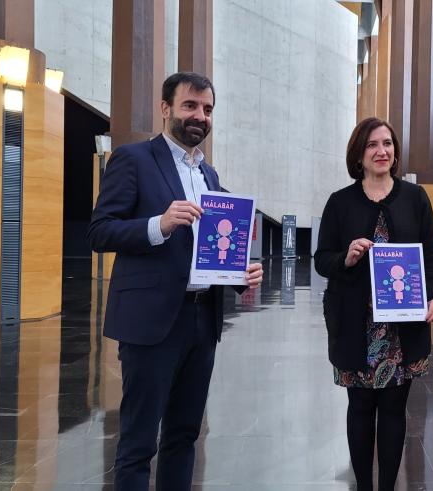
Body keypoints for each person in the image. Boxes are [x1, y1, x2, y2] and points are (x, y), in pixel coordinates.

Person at [87, 72, 264, 490]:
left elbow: (209, 253)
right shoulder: (133, 159)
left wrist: (239, 276)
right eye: (189, 106)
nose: (199, 116)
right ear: (165, 109)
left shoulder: (211, 177)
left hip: (202, 323)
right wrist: (158, 225)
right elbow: (99, 231)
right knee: (138, 441)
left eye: (207, 109)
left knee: (184, 436)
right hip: (151, 323)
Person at [315, 117, 433, 491]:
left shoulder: (414, 197)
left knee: (393, 411)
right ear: (359, 154)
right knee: (359, 409)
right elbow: (321, 258)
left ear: (395, 152)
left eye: (387, 144)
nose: (381, 151)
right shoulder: (340, 202)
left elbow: (432, 255)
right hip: (355, 324)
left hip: (401, 327)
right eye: (372, 145)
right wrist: (347, 257)